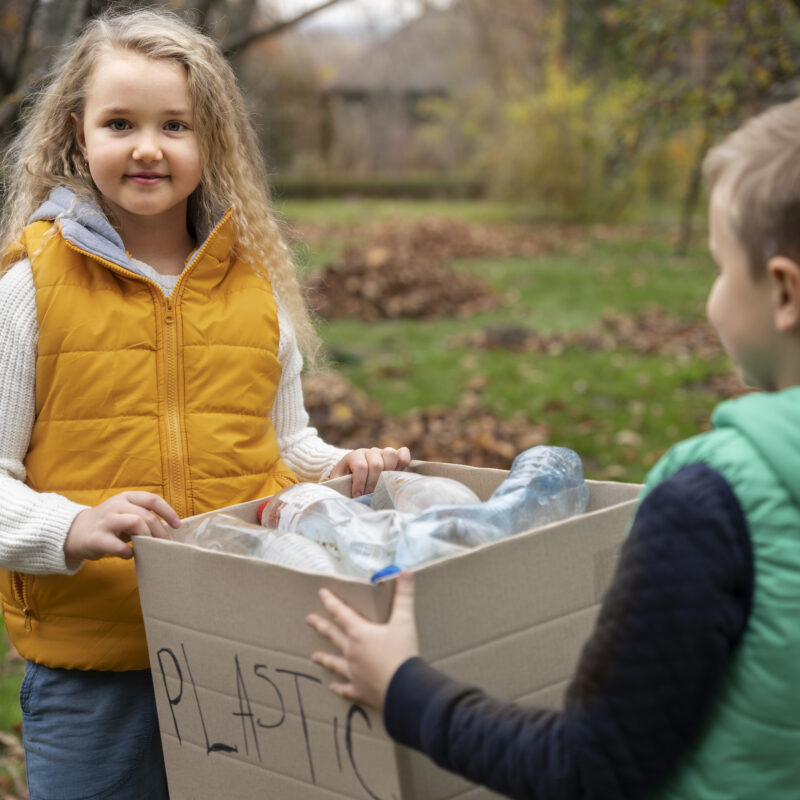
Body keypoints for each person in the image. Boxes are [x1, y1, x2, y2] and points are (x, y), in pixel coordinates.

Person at [307, 96, 800, 799]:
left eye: (720, 268)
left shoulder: (709, 505)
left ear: (783, 292)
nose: (713, 295)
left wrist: (402, 689)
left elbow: (590, 770)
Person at [0, 9, 409, 799]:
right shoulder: (29, 291)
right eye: (120, 122)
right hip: (94, 671)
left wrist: (345, 468)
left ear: (209, 142)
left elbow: (287, 449)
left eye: (174, 125)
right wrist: (72, 527)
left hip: (246, 651)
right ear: (77, 134)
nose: (148, 147)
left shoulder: (256, 291)